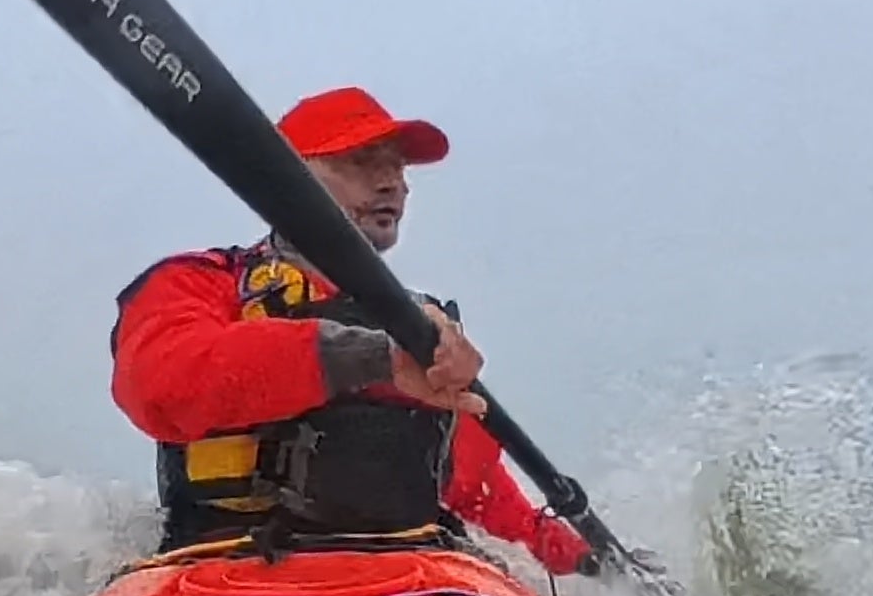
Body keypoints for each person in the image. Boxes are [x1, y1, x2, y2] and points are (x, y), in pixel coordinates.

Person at [111, 83, 594, 570]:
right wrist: (368, 358)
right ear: (286, 179)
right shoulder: (198, 282)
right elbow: (160, 384)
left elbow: (474, 487)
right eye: (362, 161)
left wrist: (580, 561)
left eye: (398, 167)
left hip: (404, 576)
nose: (393, 184)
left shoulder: (421, 325)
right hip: (226, 566)